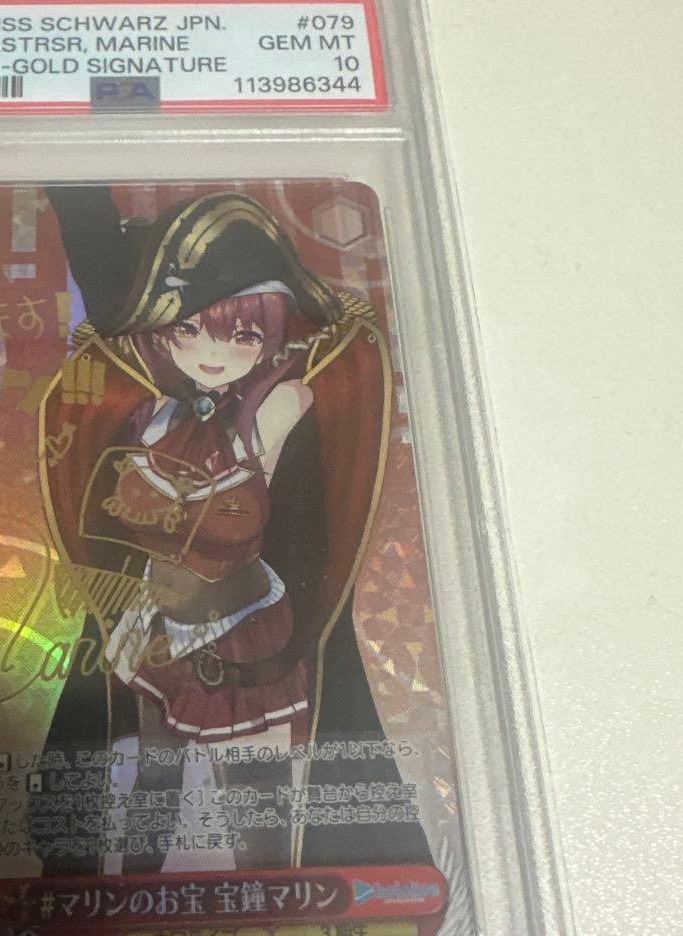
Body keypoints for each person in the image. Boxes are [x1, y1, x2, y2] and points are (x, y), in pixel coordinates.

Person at [36, 186, 431, 875]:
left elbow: (325, 358)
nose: (212, 353)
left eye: (241, 334)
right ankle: (127, 907)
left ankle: (272, 903)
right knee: (150, 799)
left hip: (245, 635)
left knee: (259, 819)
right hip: (155, 628)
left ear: (268, 337)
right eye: (189, 330)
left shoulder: (277, 410)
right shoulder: (152, 414)